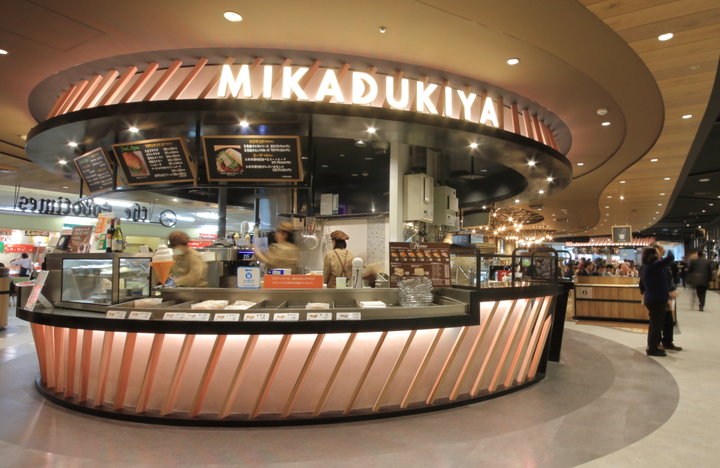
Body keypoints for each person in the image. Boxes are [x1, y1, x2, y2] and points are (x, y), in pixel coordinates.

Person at [639, 247, 675, 357]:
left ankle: (653, 346)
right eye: (659, 251)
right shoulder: (655, 265)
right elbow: (671, 257)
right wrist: (669, 248)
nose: (660, 253)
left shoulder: (646, 266)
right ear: (654, 254)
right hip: (657, 299)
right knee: (656, 325)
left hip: (652, 298)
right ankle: (653, 349)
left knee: (654, 324)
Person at [651, 244, 682, 352]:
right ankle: (656, 344)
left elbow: (668, 278)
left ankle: (667, 342)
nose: (664, 249)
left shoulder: (662, 263)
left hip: (666, 296)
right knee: (658, 321)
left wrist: (672, 289)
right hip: (659, 297)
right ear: (656, 250)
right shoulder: (654, 263)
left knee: (668, 320)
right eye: (662, 247)